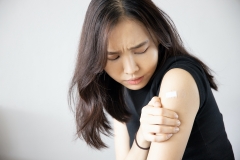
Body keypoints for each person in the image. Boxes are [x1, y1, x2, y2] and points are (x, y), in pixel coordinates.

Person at [69, 0, 234, 159]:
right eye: (113, 57)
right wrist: (142, 137)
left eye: (140, 50)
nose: (131, 69)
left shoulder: (178, 79)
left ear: (157, 36)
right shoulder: (117, 86)